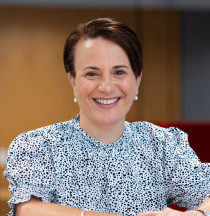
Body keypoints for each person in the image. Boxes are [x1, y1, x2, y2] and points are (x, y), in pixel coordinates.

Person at [4, 17, 210, 216]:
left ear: (137, 80)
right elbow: (29, 210)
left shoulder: (163, 146)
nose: (106, 87)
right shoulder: (37, 145)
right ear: (73, 81)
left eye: (119, 72)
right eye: (92, 74)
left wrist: (196, 215)